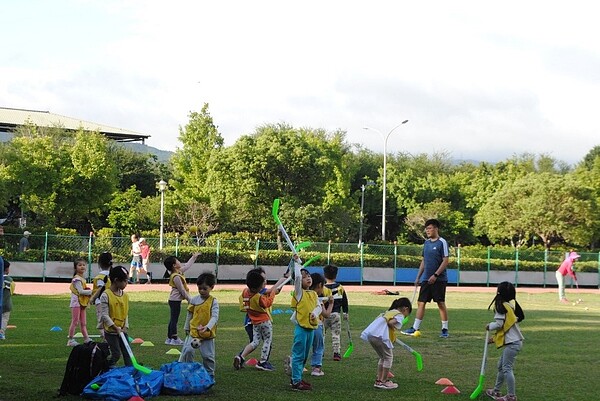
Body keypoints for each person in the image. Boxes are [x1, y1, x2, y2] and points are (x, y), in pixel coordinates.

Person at [402, 218, 450, 338]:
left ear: (436, 229)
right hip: (426, 279)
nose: (428, 230)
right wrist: (418, 277)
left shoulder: (442, 242)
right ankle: (415, 328)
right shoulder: (427, 243)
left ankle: (445, 329)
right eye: (426, 228)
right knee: (421, 303)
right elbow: (424, 260)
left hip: (439, 280)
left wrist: (435, 275)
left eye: (430, 228)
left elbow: (445, 260)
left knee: (440, 303)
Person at [233, 268, 288, 372]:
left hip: (254, 322)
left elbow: (273, 289)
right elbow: (268, 302)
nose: (265, 283)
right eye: (263, 281)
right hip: (264, 322)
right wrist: (272, 294)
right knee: (267, 341)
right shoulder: (259, 297)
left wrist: (283, 279)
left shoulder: (245, 292)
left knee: (255, 342)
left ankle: (241, 357)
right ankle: (263, 362)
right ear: (259, 286)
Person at [484, 281, 525, 401]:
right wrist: (494, 339)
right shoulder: (509, 306)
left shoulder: (501, 306)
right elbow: (506, 328)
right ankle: (496, 391)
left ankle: (511, 396)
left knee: (506, 368)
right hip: (513, 342)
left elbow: (499, 324)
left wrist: (489, 326)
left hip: (513, 344)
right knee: (501, 367)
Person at [360, 297, 412, 390]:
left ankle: (379, 380)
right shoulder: (399, 315)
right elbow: (390, 323)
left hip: (371, 335)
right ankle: (384, 381)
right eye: (407, 314)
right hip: (380, 337)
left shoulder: (388, 312)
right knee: (388, 357)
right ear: (406, 309)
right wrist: (393, 327)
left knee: (383, 357)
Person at [288, 256, 319, 391]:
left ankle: (297, 377)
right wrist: (297, 263)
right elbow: (298, 279)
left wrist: (315, 313)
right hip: (301, 328)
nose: (308, 278)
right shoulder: (299, 293)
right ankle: (296, 381)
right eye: (304, 276)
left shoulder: (313, 294)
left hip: (311, 328)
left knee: (305, 355)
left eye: (309, 276)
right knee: (298, 354)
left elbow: (318, 307)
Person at [180, 272, 219, 380]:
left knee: (208, 356)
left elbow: (215, 317)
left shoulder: (213, 302)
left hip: (207, 334)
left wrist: (207, 327)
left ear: (211, 287)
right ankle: (189, 370)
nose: (201, 291)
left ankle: (210, 375)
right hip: (194, 332)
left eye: (204, 288)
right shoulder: (194, 300)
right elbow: (190, 314)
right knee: (187, 351)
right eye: (199, 288)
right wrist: (186, 327)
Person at [99, 265, 132, 368]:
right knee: (116, 353)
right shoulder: (106, 295)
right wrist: (115, 327)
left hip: (122, 330)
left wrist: (125, 326)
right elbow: (104, 315)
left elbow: (125, 313)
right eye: (125, 281)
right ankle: (106, 366)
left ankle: (130, 369)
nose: (126, 283)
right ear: (116, 280)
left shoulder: (125, 296)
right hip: (111, 331)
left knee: (128, 352)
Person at [164, 252, 201, 345]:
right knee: (174, 320)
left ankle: (169, 338)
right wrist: (190, 300)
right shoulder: (176, 276)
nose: (180, 262)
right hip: (174, 301)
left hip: (175, 300)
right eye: (178, 261)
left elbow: (187, 265)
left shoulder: (179, 272)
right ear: (174, 265)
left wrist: (194, 257)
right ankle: (175, 338)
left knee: (173, 319)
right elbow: (182, 290)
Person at [308, 272, 334, 377]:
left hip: (304, 326)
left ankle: (299, 365)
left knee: (304, 346)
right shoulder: (318, 299)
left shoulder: (305, 296)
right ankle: (316, 368)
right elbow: (326, 314)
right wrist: (331, 304)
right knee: (318, 347)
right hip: (317, 326)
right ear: (319, 285)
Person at [323, 264, 349, 361]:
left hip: (324, 315)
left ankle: (320, 351)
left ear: (324, 275)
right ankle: (336, 353)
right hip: (336, 315)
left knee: (322, 334)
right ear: (336, 275)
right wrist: (345, 312)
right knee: (336, 334)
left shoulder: (323, 288)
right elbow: (345, 301)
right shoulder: (340, 288)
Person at [67, 258, 92, 346]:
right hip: (76, 302)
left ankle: (86, 338)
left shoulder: (82, 279)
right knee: (75, 321)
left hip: (82, 302)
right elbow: (81, 291)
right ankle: (70, 339)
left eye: (83, 265)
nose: (82, 266)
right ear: (75, 268)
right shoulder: (77, 279)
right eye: (79, 265)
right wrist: (92, 292)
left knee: (83, 322)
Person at [89, 252, 112, 339]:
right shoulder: (112, 276)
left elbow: (100, 289)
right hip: (111, 300)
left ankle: (106, 338)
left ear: (99, 263)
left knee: (101, 322)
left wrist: (92, 298)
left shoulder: (99, 277)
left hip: (101, 302)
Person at [1, 259, 14, 340]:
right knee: (4, 319)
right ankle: (1, 333)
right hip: (6, 304)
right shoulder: (9, 280)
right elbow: (12, 290)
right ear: (6, 269)